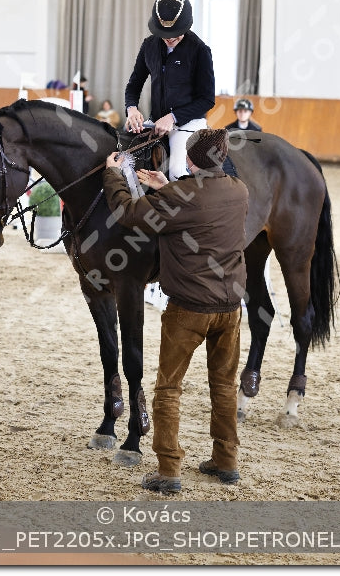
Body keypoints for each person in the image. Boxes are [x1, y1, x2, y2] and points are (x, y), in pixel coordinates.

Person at [103, 128, 248, 494]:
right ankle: (226, 461)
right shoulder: (238, 190)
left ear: (190, 160)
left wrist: (112, 174)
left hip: (189, 309)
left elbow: (128, 212)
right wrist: (167, 186)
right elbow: (201, 207)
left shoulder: (181, 196)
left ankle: (168, 471)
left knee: (168, 388)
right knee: (224, 386)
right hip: (230, 309)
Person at [124, 0, 216, 181]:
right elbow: (134, 85)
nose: (169, 38)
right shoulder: (148, 46)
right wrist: (132, 109)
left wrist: (173, 118)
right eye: (164, 34)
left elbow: (207, 100)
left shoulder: (200, 51)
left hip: (188, 124)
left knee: (176, 172)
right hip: (156, 121)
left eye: (175, 34)